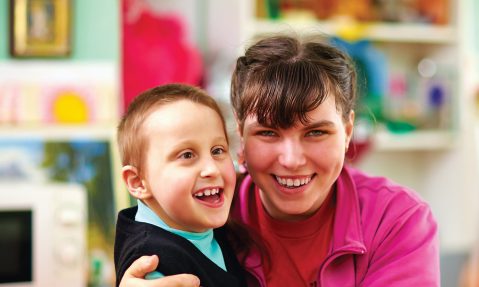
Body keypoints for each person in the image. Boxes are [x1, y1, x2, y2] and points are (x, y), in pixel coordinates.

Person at [119, 34, 440, 287]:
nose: (291, 159)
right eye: (269, 133)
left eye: (315, 133)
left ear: (346, 132)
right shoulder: (205, 212)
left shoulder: (396, 221)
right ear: (240, 138)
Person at [114, 84, 246, 287]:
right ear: (138, 182)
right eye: (187, 155)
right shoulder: (154, 267)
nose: (211, 169)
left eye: (218, 150)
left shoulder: (193, 221)